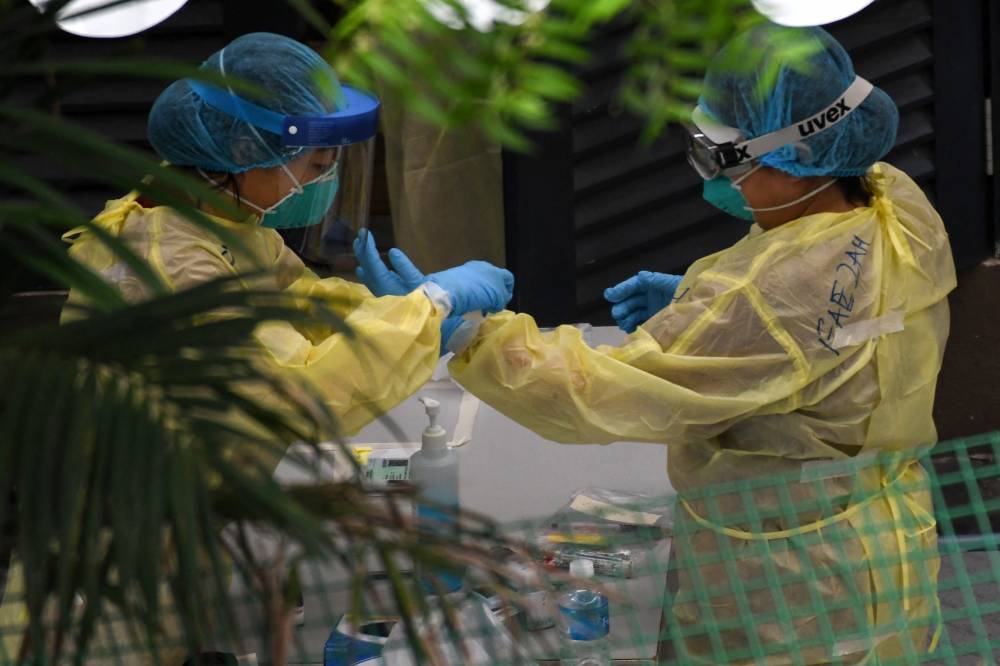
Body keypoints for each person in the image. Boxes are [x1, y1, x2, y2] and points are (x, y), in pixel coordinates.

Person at [356, 25, 956, 664]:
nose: (714, 176)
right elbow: (846, 324)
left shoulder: (764, 297)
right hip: (886, 534)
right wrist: (700, 305)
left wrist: (472, 335)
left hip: (790, 578)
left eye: (726, 157)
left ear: (801, 156)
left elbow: (603, 391)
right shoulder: (898, 202)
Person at [59, 32, 514, 439]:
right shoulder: (173, 265)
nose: (325, 182)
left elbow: (296, 301)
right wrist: (431, 305)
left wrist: (401, 311)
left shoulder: (212, 212)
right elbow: (299, 396)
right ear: (244, 149)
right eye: (316, 167)